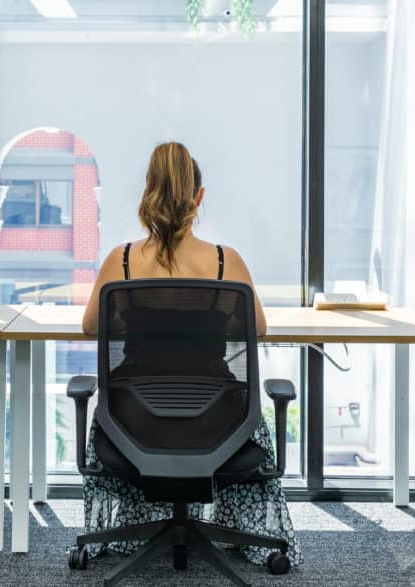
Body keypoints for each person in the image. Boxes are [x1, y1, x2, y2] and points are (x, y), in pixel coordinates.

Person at [79, 141, 303, 567]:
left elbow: (91, 326)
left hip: (133, 423)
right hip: (218, 423)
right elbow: (258, 328)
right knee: (245, 412)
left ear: (148, 191)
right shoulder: (225, 262)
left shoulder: (121, 261)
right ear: (199, 197)